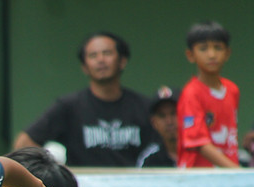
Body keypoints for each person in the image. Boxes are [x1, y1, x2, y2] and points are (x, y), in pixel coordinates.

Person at [13, 31, 156, 167]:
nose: (101, 60)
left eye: (107, 53)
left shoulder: (143, 106)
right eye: (93, 55)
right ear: (84, 67)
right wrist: (54, 172)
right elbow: (23, 143)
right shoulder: (69, 107)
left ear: (122, 61)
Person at [177, 21, 240, 169]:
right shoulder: (191, 94)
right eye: (203, 49)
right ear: (190, 55)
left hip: (228, 174)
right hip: (197, 178)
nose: (212, 55)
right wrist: (236, 171)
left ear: (227, 53)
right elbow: (199, 143)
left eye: (218, 48)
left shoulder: (232, 90)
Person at [137, 87, 179, 168]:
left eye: (174, 113)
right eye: (162, 116)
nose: (169, 121)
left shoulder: (200, 151)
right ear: (154, 123)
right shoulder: (149, 159)